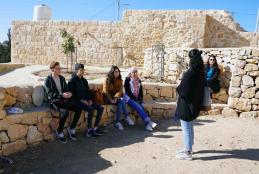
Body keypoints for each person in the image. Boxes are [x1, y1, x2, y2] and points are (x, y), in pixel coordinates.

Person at [175, 49, 205, 160]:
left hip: (186, 104)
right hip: (195, 104)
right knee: (190, 126)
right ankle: (189, 147)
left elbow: (184, 90)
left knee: (186, 129)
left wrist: (179, 85)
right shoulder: (201, 72)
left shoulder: (190, 73)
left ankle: (188, 153)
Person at [44, 61, 82, 143]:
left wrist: (69, 93)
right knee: (65, 112)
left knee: (79, 108)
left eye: (60, 68)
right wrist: (62, 95)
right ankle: (60, 131)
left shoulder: (62, 78)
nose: (59, 70)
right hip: (55, 102)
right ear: (52, 69)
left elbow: (66, 89)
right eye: (57, 68)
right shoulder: (48, 80)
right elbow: (50, 94)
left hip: (64, 100)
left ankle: (72, 128)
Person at [68, 64, 105, 138]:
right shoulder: (72, 81)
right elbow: (72, 94)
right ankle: (89, 130)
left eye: (83, 70)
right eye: (81, 70)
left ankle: (95, 127)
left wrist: (89, 100)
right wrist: (81, 100)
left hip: (86, 101)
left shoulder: (84, 80)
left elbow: (88, 92)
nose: (82, 72)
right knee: (90, 110)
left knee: (101, 108)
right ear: (76, 71)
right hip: (77, 101)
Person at [103, 65, 134, 130]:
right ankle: (126, 117)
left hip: (115, 98)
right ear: (112, 72)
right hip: (107, 98)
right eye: (115, 72)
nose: (117, 73)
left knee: (121, 102)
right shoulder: (107, 79)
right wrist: (111, 99)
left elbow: (120, 91)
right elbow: (105, 91)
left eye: (118, 72)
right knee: (121, 101)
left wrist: (115, 98)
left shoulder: (120, 80)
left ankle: (118, 122)